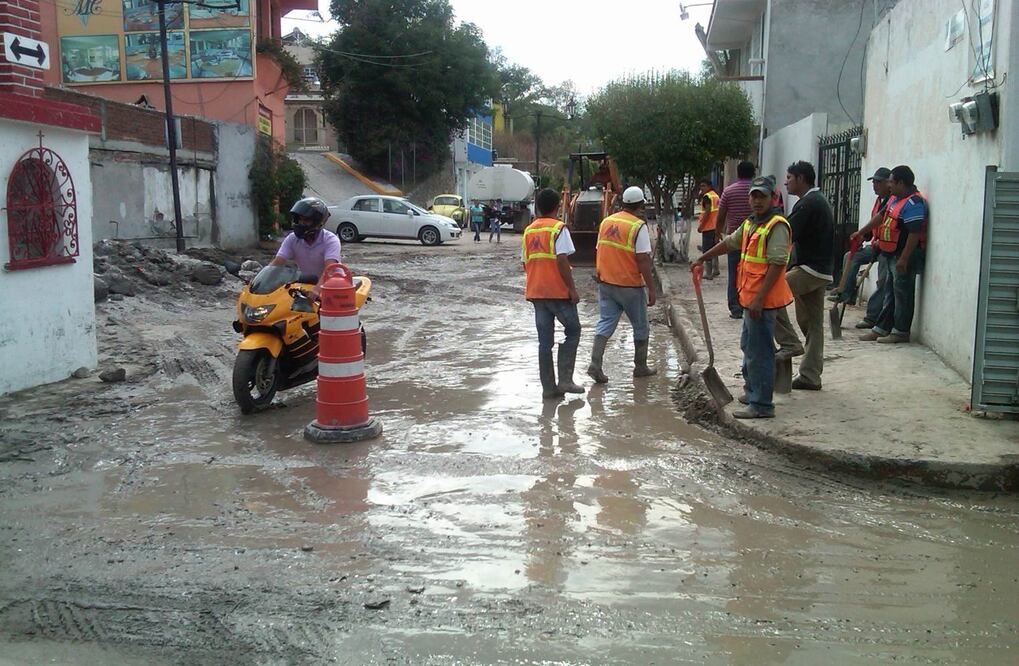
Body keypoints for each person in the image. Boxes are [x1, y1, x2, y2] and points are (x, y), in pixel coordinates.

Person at [692, 177, 793, 418]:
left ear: (773, 199)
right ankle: (752, 390)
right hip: (749, 299)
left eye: (762, 196)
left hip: (763, 301)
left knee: (760, 352)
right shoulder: (751, 224)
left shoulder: (776, 226)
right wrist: (703, 258)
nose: (757, 201)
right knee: (749, 346)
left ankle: (761, 405)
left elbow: (777, 264)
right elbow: (729, 243)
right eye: (753, 196)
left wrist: (759, 299)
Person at [773, 161, 834, 391]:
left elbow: (786, 233)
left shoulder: (808, 204)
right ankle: (810, 376)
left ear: (801, 178)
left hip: (810, 269)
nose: (786, 182)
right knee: (812, 323)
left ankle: (789, 342)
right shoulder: (815, 201)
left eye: (789, 177)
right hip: (820, 270)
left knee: (771, 294)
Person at [587, 186, 657, 383]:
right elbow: (643, 259)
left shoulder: (606, 222)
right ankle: (640, 367)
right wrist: (651, 288)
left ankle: (595, 363)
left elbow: (600, 249)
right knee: (641, 326)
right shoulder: (637, 226)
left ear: (623, 203)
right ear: (641, 205)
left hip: (606, 283)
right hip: (629, 285)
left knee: (605, 323)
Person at [522, 188, 583, 400]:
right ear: (558, 207)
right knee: (574, 330)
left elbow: (525, 262)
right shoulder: (559, 228)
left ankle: (549, 389)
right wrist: (572, 289)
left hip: (536, 292)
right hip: (557, 292)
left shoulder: (529, 231)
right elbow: (562, 260)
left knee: (544, 343)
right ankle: (565, 379)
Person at [857, 165, 928, 343]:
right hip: (890, 253)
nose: (889, 185)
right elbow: (881, 217)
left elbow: (914, 233)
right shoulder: (894, 199)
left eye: (891, 181)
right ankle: (881, 328)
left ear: (901, 183)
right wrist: (862, 232)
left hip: (904, 256)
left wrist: (904, 258)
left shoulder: (914, 203)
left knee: (902, 294)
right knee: (889, 292)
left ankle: (901, 332)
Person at [829, 167, 892, 319]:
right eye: (873, 182)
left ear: (887, 183)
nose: (874, 186)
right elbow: (875, 224)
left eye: (878, 182)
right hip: (876, 245)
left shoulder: (892, 201)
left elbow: (883, 220)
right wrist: (866, 235)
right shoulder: (879, 201)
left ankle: (872, 317)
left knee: (883, 281)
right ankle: (847, 293)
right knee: (850, 257)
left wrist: (863, 233)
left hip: (889, 248)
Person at [269, 197, 340, 300]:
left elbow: (330, 269)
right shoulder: (292, 239)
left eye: (306, 220)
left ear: (317, 221)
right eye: (300, 219)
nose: (301, 223)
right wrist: (259, 281)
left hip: (334, 286)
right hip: (309, 283)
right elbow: (277, 262)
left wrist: (317, 290)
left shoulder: (330, 240)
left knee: (327, 315)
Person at [716, 160, 756, 319]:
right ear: (754, 173)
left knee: (734, 272)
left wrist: (717, 232)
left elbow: (721, 215)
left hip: (734, 238)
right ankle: (750, 302)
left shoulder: (728, 191)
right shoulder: (758, 191)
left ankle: (735, 307)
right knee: (754, 272)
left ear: (738, 173)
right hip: (756, 237)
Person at [696, 178, 721, 280]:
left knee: (707, 250)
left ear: (709, 186)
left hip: (708, 227)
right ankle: (716, 270)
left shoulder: (707, 197)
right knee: (715, 248)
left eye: (703, 186)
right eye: (701, 186)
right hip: (716, 226)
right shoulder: (715, 195)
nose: (701, 188)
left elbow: (707, 213)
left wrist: (701, 226)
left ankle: (709, 273)